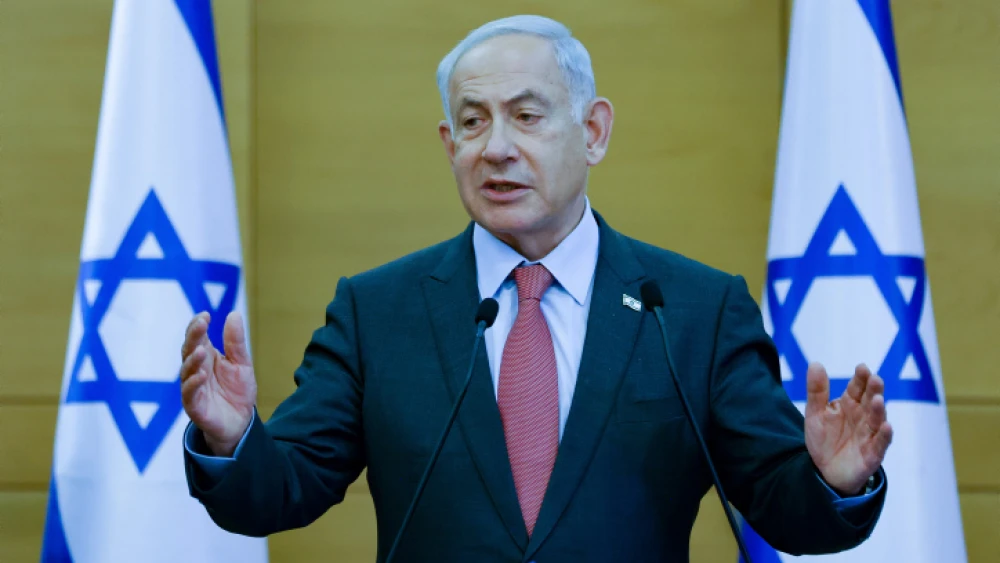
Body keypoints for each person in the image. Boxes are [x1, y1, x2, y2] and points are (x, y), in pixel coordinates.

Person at [180, 15, 892, 562]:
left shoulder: (695, 311)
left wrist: (835, 482)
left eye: (526, 116)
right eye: (473, 122)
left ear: (593, 131)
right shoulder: (377, 312)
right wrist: (232, 437)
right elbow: (282, 488)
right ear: (449, 146)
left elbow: (783, 509)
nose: (496, 148)